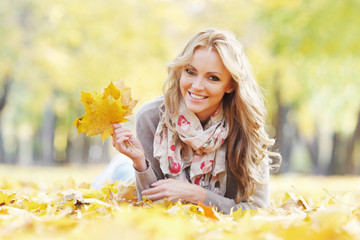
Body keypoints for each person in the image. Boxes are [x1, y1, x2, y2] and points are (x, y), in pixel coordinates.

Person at [111, 28, 281, 214]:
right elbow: (150, 205)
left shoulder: (246, 126)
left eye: (213, 78)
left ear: (230, 85)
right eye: (190, 72)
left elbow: (258, 210)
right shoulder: (151, 118)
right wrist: (139, 162)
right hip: (122, 174)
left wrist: (198, 195)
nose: (197, 86)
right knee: (118, 173)